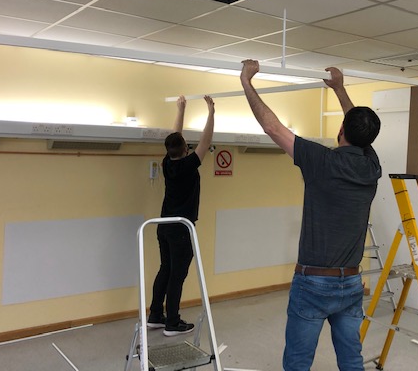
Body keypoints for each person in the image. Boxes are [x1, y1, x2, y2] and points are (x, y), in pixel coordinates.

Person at [240, 60, 381, 371]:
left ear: (341, 130)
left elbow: (272, 127)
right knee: (352, 360)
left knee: (298, 363)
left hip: (314, 283)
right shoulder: (372, 166)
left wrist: (247, 82)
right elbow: (359, 132)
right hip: (351, 282)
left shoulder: (322, 161)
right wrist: (340, 90)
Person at [147, 94, 215, 337]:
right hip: (181, 229)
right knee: (177, 275)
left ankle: (156, 315)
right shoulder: (188, 165)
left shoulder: (168, 163)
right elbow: (206, 141)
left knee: (165, 269)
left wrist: (181, 109)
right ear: (186, 149)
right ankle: (172, 322)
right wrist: (211, 112)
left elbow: (175, 137)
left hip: (164, 226)